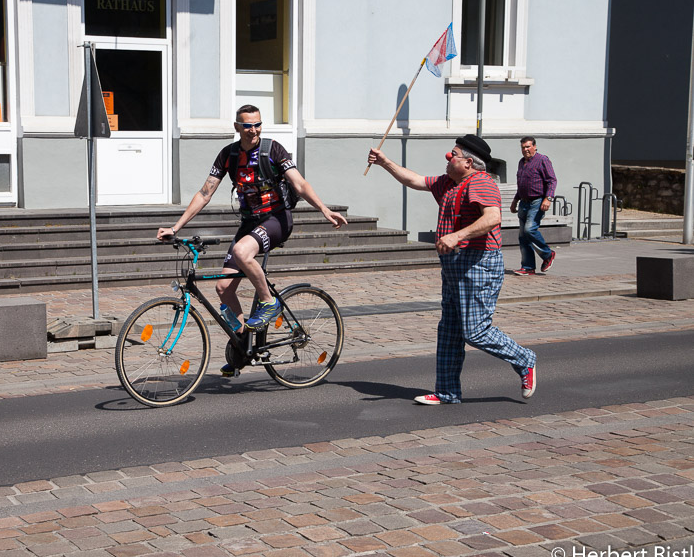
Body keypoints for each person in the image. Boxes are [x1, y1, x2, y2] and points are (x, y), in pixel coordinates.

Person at [367, 135, 537, 404]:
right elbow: (415, 180)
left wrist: (456, 236)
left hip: (479, 263)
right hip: (454, 265)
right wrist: (385, 162)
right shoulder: (449, 183)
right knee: (449, 330)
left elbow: (493, 217)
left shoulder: (480, 182)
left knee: (476, 331)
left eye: (453, 154)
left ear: (468, 162)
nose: (448, 157)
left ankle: (524, 358)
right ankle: (447, 392)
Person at [157, 105, 347, 342]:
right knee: (224, 290)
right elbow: (205, 193)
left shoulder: (273, 150)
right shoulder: (229, 155)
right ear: (237, 127)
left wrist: (324, 209)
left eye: (258, 125)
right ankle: (243, 344)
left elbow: (299, 184)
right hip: (249, 223)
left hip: (277, 219)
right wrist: (176, 228)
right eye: (248, 126)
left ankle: (269, 302)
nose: (254, 130)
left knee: (241, 251)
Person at [509, 136, 558, 276]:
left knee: (530, 229)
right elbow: (522, 184)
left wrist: (548, 198)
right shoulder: (521, 162)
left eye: (528, 147)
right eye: (523, 148)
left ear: (535, 147)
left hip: (537, 202)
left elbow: (552, 180)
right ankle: (528, 267)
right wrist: (515, 200)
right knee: (523, 236)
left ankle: (548, 254)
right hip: (524, 202)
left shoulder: (542, 160)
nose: (525, 150)